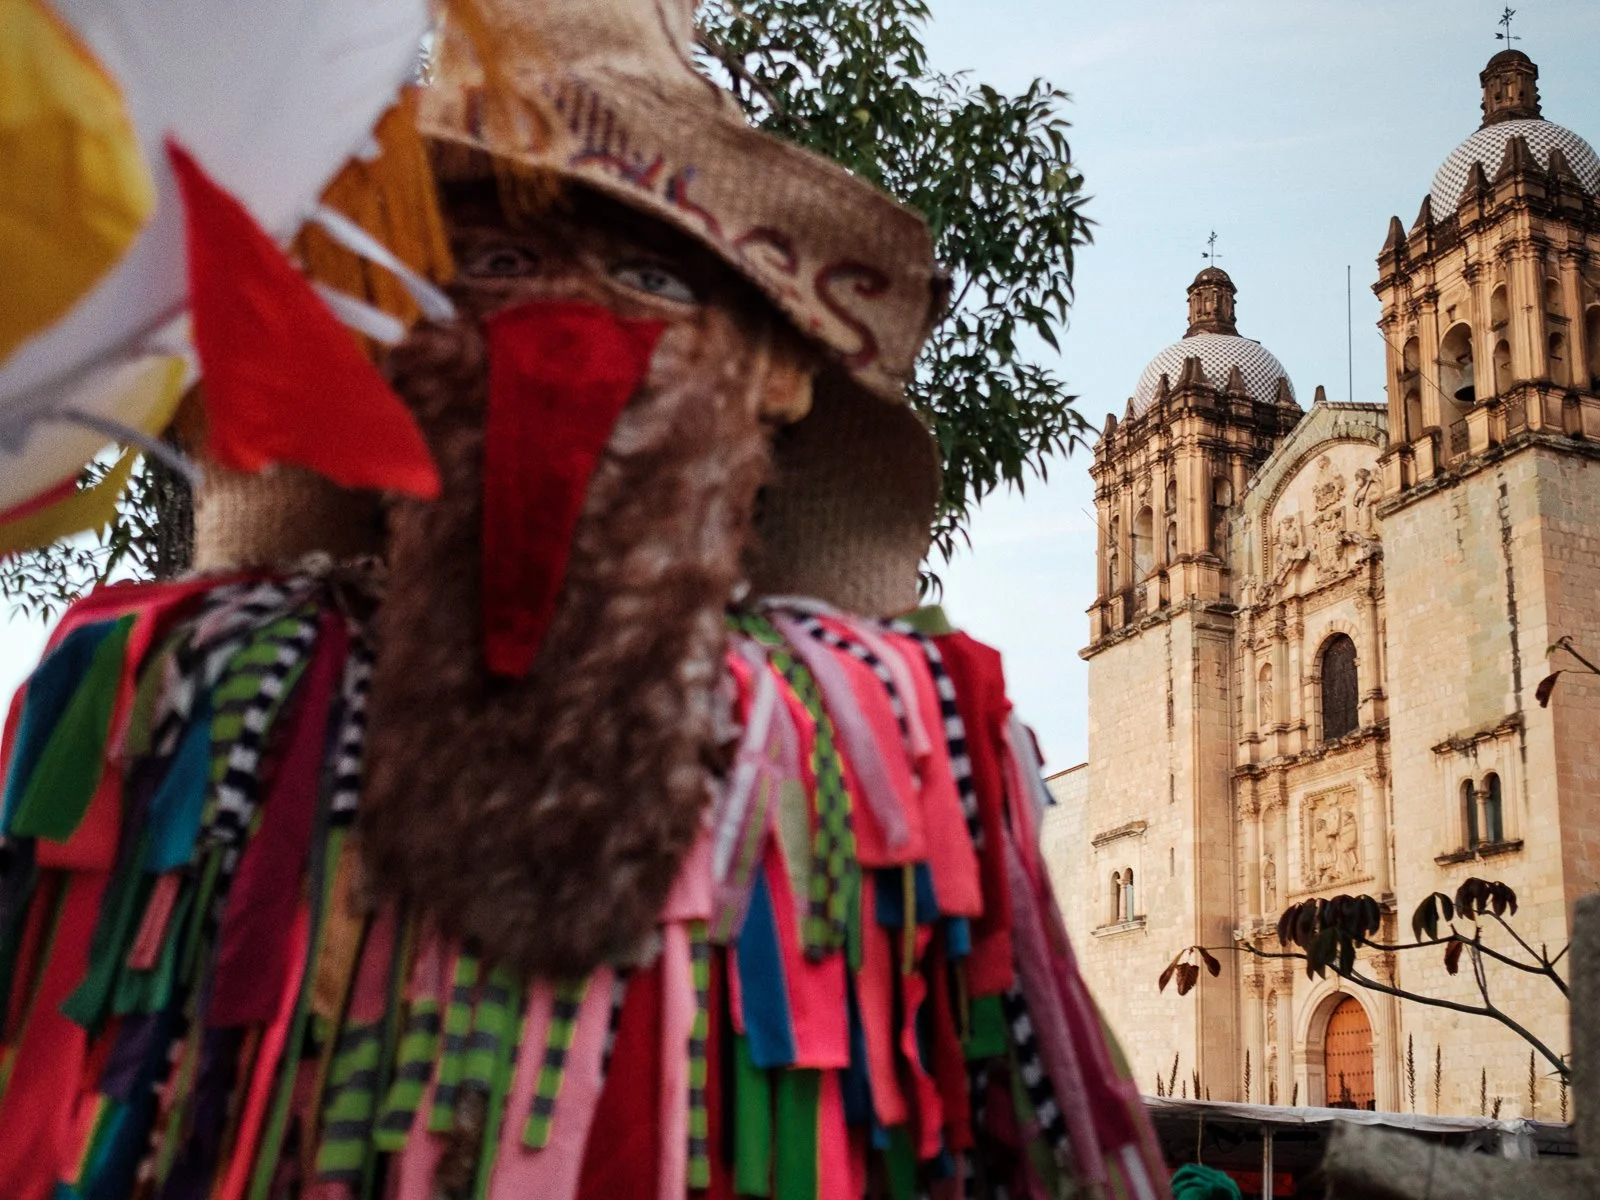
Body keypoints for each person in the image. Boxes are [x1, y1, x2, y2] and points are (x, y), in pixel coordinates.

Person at [0, 2, 1167, 1197]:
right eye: (495, 264)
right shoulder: (185, 686)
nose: (568, 331)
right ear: (383, 347)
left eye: (651, 275)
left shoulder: (902, 736)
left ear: (769, 376)